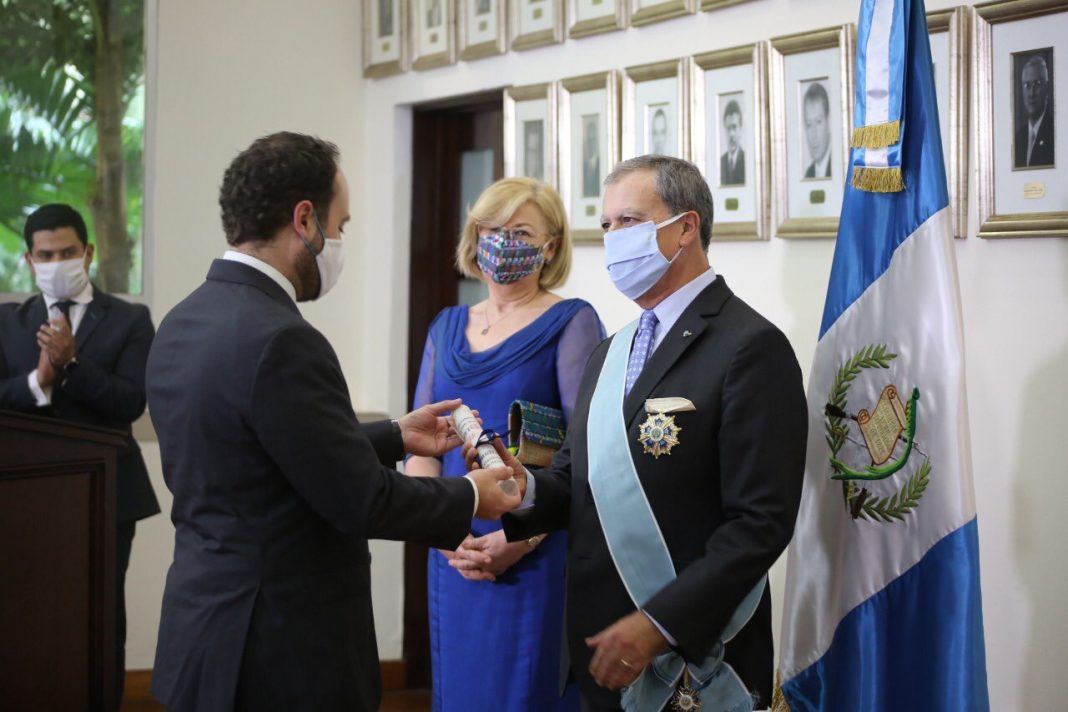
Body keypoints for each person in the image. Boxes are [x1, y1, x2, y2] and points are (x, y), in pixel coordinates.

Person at [145, 131, 520, 712]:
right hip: (280, 650)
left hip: (202, 630)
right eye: (340, 226)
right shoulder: (283, 339)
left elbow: (260, 454)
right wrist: (472, 493)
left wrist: (393, 435)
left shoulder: (183, 319)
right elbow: (361, 500)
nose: (340, 242)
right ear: (304, 220)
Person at [457, 156, 808, 711]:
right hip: (600, 652)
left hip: (691, 659)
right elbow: (575, 477)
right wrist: (524, 487)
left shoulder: (750, 347)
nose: (614, 238)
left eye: (629, 221)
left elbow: (760, 524)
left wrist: (659, 624)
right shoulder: (611, 352)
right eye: (606, 224)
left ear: (685, 228)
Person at [407, 177, 604, 711]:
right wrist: (440, 533)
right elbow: (421, 447)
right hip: (452, 550)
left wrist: (520, 540)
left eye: (520, 232)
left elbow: (587, 453)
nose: (502, 242)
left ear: (551, 246)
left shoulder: (573, 321)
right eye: (491, 229)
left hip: (533, 551)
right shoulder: (446, 326)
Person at [0, 203, 159, 709]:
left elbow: (131, 400)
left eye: (67, 252)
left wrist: (70, 364)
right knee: (26, 618)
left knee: (100, 617)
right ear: (29, 260)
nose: (56, 263)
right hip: (24, 496)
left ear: (87, 253)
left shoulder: (131, 319)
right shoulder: (7, 322)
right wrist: (37, 381)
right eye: (45, 255)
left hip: (108, 497)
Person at [1014, 54, 1054, 168]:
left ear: (1047, 88)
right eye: (1027, 85)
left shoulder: (1054, 133)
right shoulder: (1018, 138)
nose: (1031, 93)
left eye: (1037, 84)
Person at [802, 82, 832, 179]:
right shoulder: (808, 174)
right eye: (809, 124)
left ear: (828, 121)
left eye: (818, 122)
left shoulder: (840, 166)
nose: (813, 135)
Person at [719, 99, 745, 186]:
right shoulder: (720, 162)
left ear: (740, 128)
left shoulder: (746, 161)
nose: (731, 134)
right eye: (728, 128)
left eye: (734, 127)